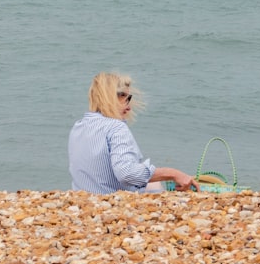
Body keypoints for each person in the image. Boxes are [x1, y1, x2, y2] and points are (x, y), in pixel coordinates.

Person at [68, 72, 199, 193]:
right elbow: (127, 173)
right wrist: (173, 173)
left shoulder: (79, 126)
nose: (129, 106)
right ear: (109, 97)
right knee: (159, 189)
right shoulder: (116, 127)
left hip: (84, 200)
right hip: (109, 202)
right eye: (124, 97)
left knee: (153, 184)